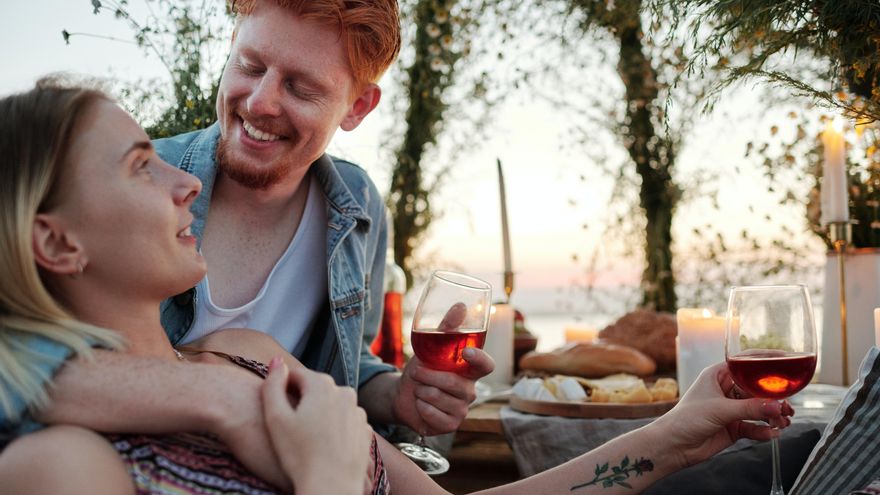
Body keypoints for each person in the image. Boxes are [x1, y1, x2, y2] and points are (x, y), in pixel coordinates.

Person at [0, 80, 793, 494]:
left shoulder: (249, 358)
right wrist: (326, 478)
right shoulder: (64, 467)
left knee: (798, 453)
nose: (186, 181)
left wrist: (672, 435)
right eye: (143, 164)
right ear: (56, 240)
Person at [0, 0, 493, 445]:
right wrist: (219, 393)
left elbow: (345, 366)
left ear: (358, 107)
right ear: (232, 47)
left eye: (301, 88)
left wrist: (398, 395)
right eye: (250, 66)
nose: (259, 102)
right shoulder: (137, 189)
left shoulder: (358, 206)